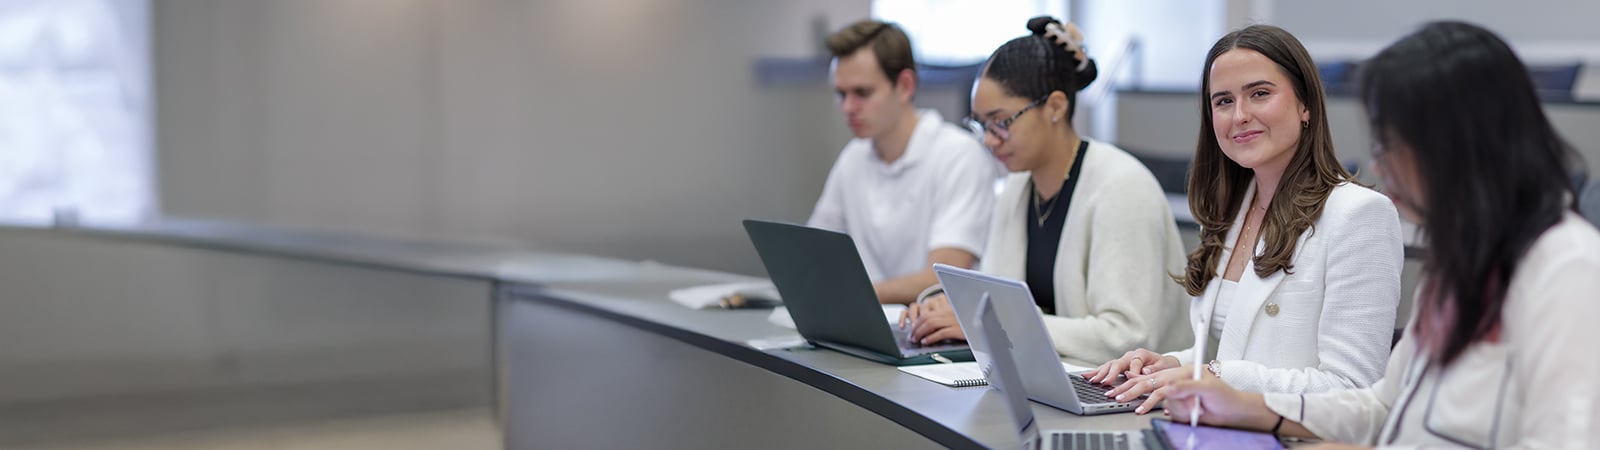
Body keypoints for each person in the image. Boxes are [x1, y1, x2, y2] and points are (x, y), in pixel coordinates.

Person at [1155, 21, 1600, 448]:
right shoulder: (1463, 262)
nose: (1380, 164)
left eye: (1392, 142)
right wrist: (1247, 408)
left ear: (1463, 142)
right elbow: (1384, 406)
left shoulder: (1567, 265)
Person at [1086, 24, 1403, 413]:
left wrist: (1211, 375)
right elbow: (1238, 350)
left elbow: (1353, 392)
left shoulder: (1358, 214)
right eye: (1222, 101)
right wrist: (1170, 365)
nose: (1239, 116)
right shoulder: (1230, 211)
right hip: (1216, 428)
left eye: (1260, 94)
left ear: (1306, 105)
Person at [901, 17, 1190, 366]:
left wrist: (987, 323)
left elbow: (1127, 338)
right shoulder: (1019, 184)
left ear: (1055, 107)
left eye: (1001, 122)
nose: (989, 140)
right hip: (1052, 377)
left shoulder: (1122, 188)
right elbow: (999, 300)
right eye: (980, 124)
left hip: (1136, 396)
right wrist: (946, 307)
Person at [808, 20, 1002, 305]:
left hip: (928, 336)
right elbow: (812, 254)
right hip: (863, 322)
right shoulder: (854, 157)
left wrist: (851, 295)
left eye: (862, 93)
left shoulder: (958, 154)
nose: (848, 107)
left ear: (904, 86)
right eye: (841, 94)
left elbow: (944, 278)